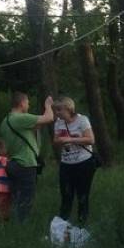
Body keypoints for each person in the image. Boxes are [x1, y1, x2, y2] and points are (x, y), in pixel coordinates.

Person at [0, 91, 54, 222]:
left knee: (15, 198)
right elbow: (49, 118)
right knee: (26, 200)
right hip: (26, 164)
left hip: (13, 164)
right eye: (28, 102)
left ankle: (10, 224)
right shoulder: (20, 118)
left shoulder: (6, 121)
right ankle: (21, 227)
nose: (28, 105)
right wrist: (48, 106)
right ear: (22, 103)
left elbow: (36, 125)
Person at [52, 96, 97, 224]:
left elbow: (90, 140)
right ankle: (62, 226)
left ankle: (82, 224)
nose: (57, 113)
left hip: (84, 164)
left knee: (82, 196)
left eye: (59, 110)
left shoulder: (82, 120)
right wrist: (60, 141)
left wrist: (70, 139)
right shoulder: (58, 123)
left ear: (69, 108)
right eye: (56, 110)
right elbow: (55, 141)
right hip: (66, 164)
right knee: (66, 195)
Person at [0, 139, 12, 222]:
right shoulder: (1, 159)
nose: (8, 149)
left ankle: (6, 219)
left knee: (7, 205)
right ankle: (2, 220)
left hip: (7, 187)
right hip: (3, 188)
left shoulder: (2, 159)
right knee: (3, 205)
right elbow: (9, 165)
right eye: (5, 147)